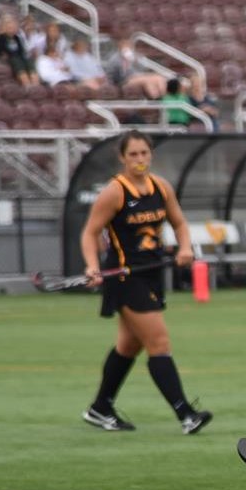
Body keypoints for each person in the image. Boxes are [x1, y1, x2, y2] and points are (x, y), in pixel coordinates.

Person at [76, 132, 212, 435]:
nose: (139, 160)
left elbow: (178, 222)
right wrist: (92, 266)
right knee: (159, 343)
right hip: (124, 277)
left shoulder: (160, 187)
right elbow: (89, 232)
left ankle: (100, 407)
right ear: (122, 158)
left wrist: (185, 247)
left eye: (144, 153)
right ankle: (186, 414)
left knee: (129, 345)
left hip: (151, 273)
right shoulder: (115, 192)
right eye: (133, 155)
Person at [0, 16, 38, 86]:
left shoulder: (17, 38)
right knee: (16, 60)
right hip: (3, 58)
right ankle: (27, 84)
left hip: (15, 57)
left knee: (28, 59)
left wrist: (25, 56)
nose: (12, 29)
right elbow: (3, 52)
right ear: (5, 28)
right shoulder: (2, 38)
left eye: (14, 27)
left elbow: (21, 51)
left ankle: (36, 84)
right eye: (10, 27)